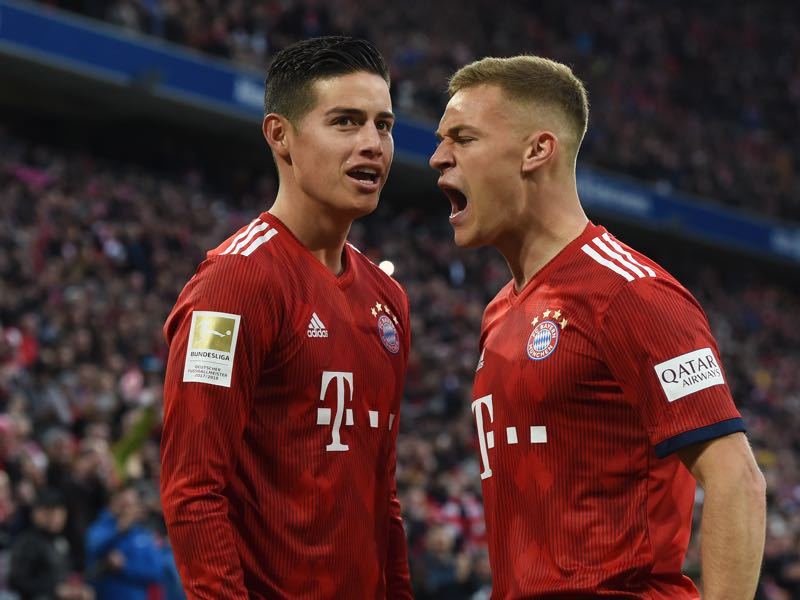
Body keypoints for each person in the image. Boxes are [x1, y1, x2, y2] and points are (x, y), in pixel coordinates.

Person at [429, 55, 766, 599]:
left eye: (462, 138)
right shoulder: (500, 311)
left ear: (537, 150)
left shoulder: (632, 294)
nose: (437, 157)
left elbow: (736, 481)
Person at [160, 36, 412, 598]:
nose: (373, 144)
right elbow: (194, 489)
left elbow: (381, 495)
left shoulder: (388, 298)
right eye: (346, 122)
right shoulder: (234, 282)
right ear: (281, 136)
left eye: (383, 125)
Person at [8, 488, 94, 600]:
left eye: (60, 512)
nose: (56, 518)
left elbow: (67, 572)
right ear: (37, 513)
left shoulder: (62, 540)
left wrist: (75, 589)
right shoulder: (27, 543)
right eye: (50, 512)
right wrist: (54, 589)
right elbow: (17, 581)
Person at [85, 484, 162, 600]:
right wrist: (118, 530)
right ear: (113, 503)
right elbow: (92, 551)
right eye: (124, 504)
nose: (129, 509)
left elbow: (155, 572)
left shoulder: (143, 535)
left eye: (132, 504)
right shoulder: (99, 528)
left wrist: (125, 567)